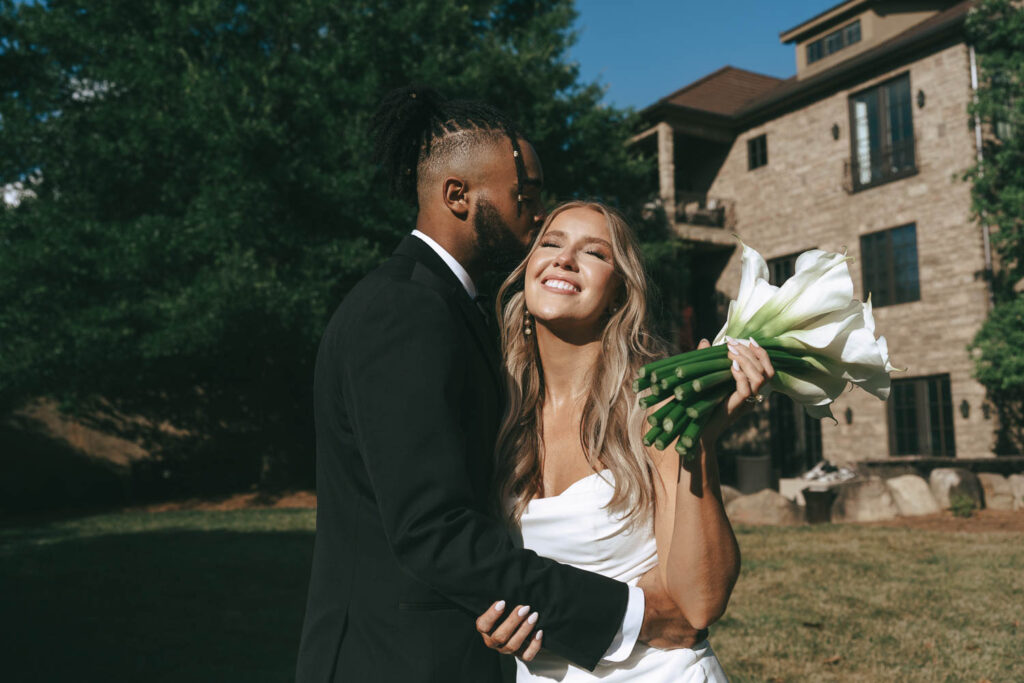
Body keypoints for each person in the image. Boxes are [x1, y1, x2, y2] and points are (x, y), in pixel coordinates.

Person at [296, 87, 704, 683]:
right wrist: (626, 615)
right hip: (394, 659)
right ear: (458, 196)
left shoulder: (448, 307)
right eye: (526, 194)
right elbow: (433, 532)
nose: (538, 215)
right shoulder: (404, 312)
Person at [473, 201, 775, 681]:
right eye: (550, 243)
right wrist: (495, 622)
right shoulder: (497, 409)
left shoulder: (652, 403)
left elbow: (700, 603)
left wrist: (695, 446)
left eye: (593, 253)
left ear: (619, 293)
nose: (564, 258)